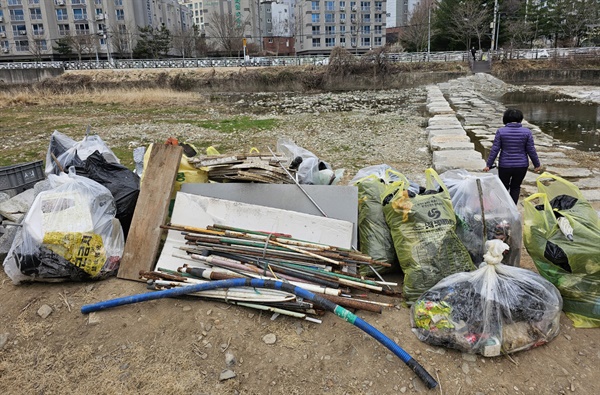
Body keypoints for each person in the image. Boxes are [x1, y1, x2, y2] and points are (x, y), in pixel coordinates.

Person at [483, 108, 542, 204]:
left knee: (503, 186)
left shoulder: (501, 131)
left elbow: (495, 149)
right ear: (520, 119)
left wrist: (488, 165)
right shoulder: (527, 132)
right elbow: (531, 150)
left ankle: (504, 206)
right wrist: (537, 165)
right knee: (515, 187)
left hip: (505, 165)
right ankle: (513, 207)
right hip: (521, 165)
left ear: (505, 119)